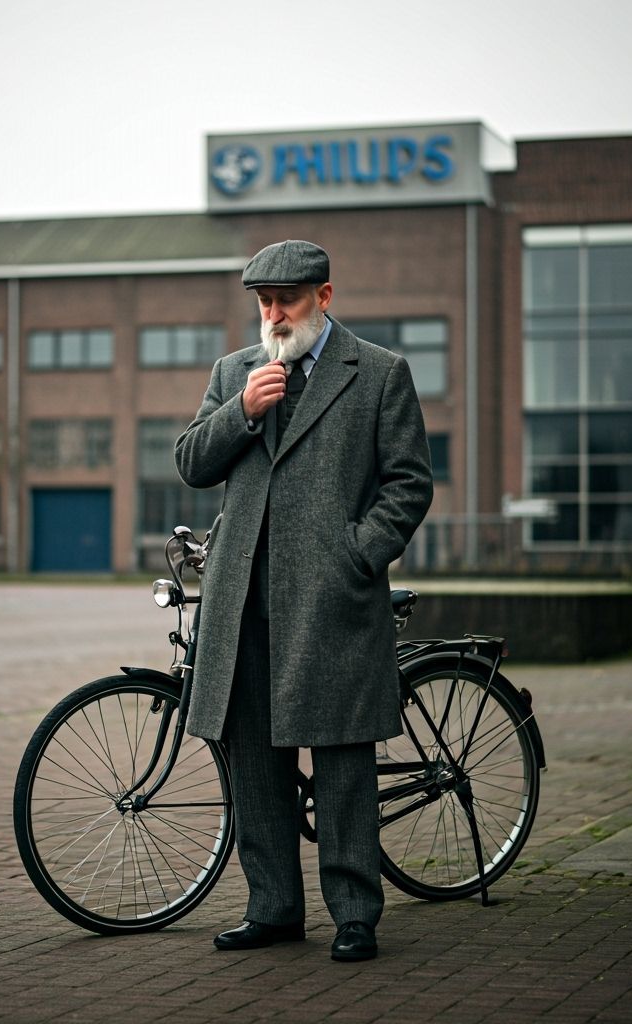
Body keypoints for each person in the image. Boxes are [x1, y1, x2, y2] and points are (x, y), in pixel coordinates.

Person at [175, 239, 433, 962]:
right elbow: (191, 462)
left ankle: (354, 914)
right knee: (254, 759)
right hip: (242, 601)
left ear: (323, 297)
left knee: (343, 758)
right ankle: (274, 908)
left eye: (286, 300)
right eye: (264, 303)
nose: (274, 315)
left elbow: (410, 483)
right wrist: (242, 411)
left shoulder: (378, 372)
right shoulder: (235, 372)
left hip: (331, 600)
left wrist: (359, 553)